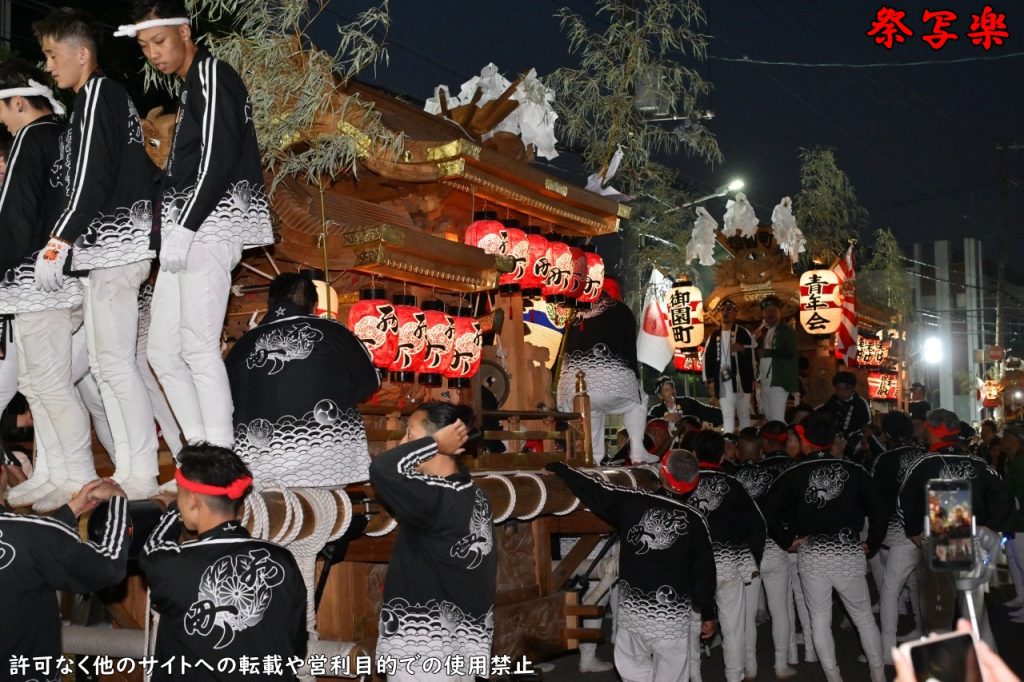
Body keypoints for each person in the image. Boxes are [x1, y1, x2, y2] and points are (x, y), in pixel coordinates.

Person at [120, 0, 274, 450]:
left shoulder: (211, 74)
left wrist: (185, 226)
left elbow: (217, 157)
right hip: (186, 227)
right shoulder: (193, 86)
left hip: (207, 223)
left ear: (185, 32)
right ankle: (200, 447)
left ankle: (222, 449)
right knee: (161, 351)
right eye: (145, 46)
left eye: (160, 41)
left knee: (197, 345)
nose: (153, 53)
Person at [34, 8, 159, 503]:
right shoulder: (96, 100)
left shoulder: (100, 95)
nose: (48, 66)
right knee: (108, 363)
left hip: (116, 245)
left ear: (81, 53)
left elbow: (91, 177)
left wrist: (59, 239)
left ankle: (140, 469)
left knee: (114, 363)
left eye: (51, 54)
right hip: (108, 247)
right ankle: (131, 465)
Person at [0, 59, 95, 511]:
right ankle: (54, 472)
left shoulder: (30, 140)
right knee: (39, 384)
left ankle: (76, 475)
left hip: (37, 278)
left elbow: (15, 216)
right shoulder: (65, 137)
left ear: (18, 102)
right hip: (65, 272)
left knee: (50, 384)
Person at [140, 443, 307, 680]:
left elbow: (151, 549)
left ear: (193, 500)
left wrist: (172, 510)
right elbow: (297, 646)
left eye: (180, 494)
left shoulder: (173, 564)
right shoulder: (282, 559)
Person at [547, 450, 717, 682]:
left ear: (662, 473)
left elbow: (595, 490)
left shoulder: (633, 502)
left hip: (633, 613)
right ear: (694, 482)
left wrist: (562, 469)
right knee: (672, 674)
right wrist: (708, 613)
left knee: (632, 671)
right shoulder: (696, 520)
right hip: (671, 617)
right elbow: (704, 575)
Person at [369, 403, 496, 681]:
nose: (402, 443)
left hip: (423, 647)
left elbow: (382, 468)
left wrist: (436, 443)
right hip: (461, 642)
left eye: (411, 436)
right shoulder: (472, 492)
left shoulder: (434, 497)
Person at [759, 411, 887, 682]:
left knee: (819, 619)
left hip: (813, 554)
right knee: (863, 617)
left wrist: (785, 540)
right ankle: (878, 675)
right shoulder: (855, 471)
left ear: (805, 439)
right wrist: (872, 542)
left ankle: (833, 677)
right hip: (848, 551)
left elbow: (764, 511)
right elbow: (879, 509)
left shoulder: (794, 473)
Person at [226, 273, 379, 487]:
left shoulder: (242, 345)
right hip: (327, 463)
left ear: (270, 303)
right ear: (314, 304)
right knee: (328, 515)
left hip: (259, 466)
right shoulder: (336, 332)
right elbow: (369, 382)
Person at [899, 409, 1014, 640]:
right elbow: (1005, 498)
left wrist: (915, 533)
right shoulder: (977, 462)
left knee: (938, 612)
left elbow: (904, 501)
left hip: (942, 536)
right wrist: (989, 528)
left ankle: (945, 669)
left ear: (933, 431)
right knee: (975, 613)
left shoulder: (924, 463)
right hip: (974, 539)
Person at [1, 478, 129, 682]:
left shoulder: (35, 534)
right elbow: (109, 566)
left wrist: (70, 512)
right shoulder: (35, 533)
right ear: (2, 473)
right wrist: (118, 501)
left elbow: (31, 546)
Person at [684, 431, 769, 682]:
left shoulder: (683, 485)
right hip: (728, 564)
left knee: (690, 626)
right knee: (733, 627)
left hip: (692, 567)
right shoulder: (734, 484)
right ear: (722, 455)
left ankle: (693, 676)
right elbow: (758, 526)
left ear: (695, 455)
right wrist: (750, 559)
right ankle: (735, 676)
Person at [556, 278, 654, 464]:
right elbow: (630, 353)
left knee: (592, 410)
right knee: (640, 401)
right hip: (610, 380)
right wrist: (635, 381)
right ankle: (638, 451)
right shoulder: (621, 310)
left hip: (571, 391)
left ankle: (593, 458)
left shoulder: (574, 311)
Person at [736, 422, 801, 673]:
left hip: (747, 551)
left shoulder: (734, 478)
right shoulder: (773, 476)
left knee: (748, 613)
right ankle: (781, 664)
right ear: (760, 449)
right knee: (780, 609)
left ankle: (750, 667)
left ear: (740, 453)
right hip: (774, 547)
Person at [870, 411, 926, 662]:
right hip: (929, 531)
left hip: (900, 533)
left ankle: (887, 650)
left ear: (888, 435)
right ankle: (921, 630)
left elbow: (877, 503)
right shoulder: (928, 456)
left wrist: (874, 537)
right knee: (916, 583)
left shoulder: (883, 460)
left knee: (890, 590)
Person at [702, 299, 755, 434]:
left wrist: (742, 348)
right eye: (723, 310)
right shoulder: (714, 336)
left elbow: (754, 352)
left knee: (744, 415)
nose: (726, 312)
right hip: (723, 382)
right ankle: (729, 442)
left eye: (729, 310)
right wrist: (709, 380)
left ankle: (746, 444)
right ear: (719, 313)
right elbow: (707, 358)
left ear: (735, 314)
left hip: (741, 381)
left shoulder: (743, 333)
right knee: (727, 416)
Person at [755, 295, 798, 424]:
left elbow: (790, 352)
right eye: (767, 311)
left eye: (774, 310)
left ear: (780, 312)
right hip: (765, 379)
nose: (770, 313)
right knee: (768, 416)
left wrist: (767, 352)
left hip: (778, 379)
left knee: (776, 418)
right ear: (763, 314)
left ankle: (783, 442)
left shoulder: (786, 330)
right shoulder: (764, 332)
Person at [1002, 427, 1024, 612]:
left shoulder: (1019, 463)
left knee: (1020, 560)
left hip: (1020, 522)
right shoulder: (1012, 461)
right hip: (1013, 521)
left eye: (1006, 438)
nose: (1003, 441)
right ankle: (1021, 596)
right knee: (1014, 559)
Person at [816, 371, 872, 441]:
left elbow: (867, 424)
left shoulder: (861, 403)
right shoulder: (832, 401)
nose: (839, 393)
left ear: (852, 388)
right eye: (837, 389)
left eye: (843, 389)